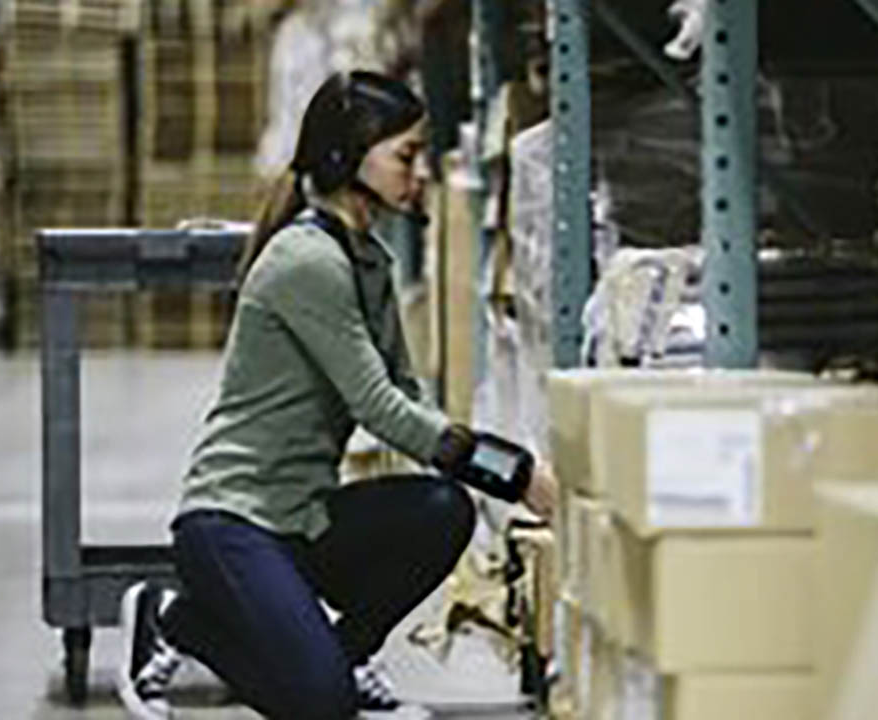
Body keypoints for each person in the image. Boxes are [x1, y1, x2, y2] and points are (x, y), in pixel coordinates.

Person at [116, 71, 557, 720]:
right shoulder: (307, 261)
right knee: (320, 708)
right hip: (233, 520)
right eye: (405, 155)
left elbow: (409, 398)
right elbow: (379, 407)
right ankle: (173, 621)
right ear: (347, 156)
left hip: (304, 519)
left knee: (443, 509)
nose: (419, 172)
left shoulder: (368, 261)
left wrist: (485, 476)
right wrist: (514, 474)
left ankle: (342, 657)